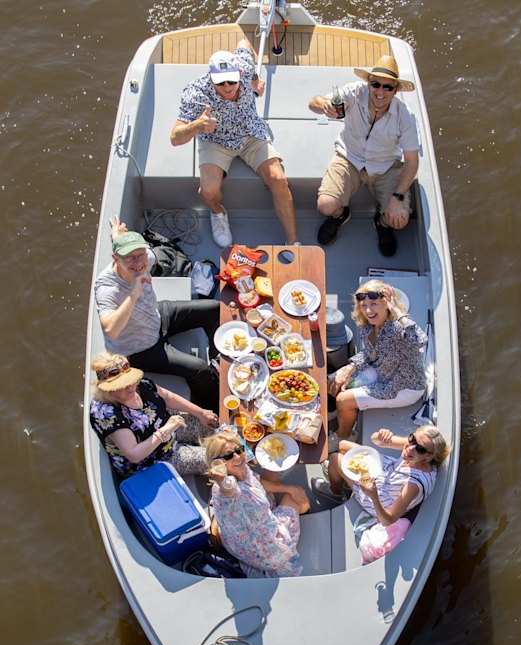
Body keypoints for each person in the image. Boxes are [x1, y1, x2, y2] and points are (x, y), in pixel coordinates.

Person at [170, 41, 299, 247]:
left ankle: (293, 242)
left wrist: (256, 80)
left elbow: (245, 43)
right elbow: (175, 138)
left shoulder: (246, 66)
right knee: (208, 191)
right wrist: (197, 125)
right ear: (210, 78)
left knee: (279, 179)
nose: (227, 87)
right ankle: (218, 213)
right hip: (216, 141)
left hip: (250, 134)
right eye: (220, 83)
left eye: (231, 80)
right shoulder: (195, 93)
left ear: (240, 72)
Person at [94, 226, 220, 410]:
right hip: (140, 349)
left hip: (158, 316)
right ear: (115, 259)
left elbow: (134, 253)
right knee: (200, 369)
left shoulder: (146, 258)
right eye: (129, 257)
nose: (137, 262)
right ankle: (212, 407)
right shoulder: (107, 288)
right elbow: (111, 331)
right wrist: (134, 293)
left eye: (140, 254)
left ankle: (218, 362)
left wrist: (120, 237)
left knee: (214, 309)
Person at [308, 55, 418, 256]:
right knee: (325, 205)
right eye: (376, 84)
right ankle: (340, 216)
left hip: (386, 167)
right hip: (349, 157)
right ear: (368, 83)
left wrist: (398, 196)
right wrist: (324, 105)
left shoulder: (405, 116)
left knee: (399, 219)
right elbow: (313, 102)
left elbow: (411, 161)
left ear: (396, 90)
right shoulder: (353, 93)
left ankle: (382, 223)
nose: (380, 91)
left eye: (388, 87)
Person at [312, 427, 450, 561]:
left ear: (428, 457)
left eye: (419, 449)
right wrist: (380, 436)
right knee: (343, 445)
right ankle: (341, 476)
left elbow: (389, 520)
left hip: (382, 498)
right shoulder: (413, 449)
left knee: (335, 458)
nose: (410, 447)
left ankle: (335, 492)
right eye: (412, 438)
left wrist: (374, 496)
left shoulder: (412, 486)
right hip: (388, 473)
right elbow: (378, 441)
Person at [327, 279, 427, 451]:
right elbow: (370, 353)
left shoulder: (398, 328)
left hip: (401, 387)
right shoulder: (368, 326)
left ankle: (345, 434)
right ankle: (340, 411)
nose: (368, 310)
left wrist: (396, 310)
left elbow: (420, 340)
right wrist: (349, 369)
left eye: (374, 304)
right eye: (364, 305)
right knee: (334, 380)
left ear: (386, 304)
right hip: (382, 371)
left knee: (344, 399)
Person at [89, 352, 219, 479]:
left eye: (130, 380)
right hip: (155, 458)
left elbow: (167, 397)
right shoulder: (106, 414)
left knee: (215, 429)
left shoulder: (137, 384)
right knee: (219, 458)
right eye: (122, 385)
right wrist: (167, 429)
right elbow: (134, 454)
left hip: (168, 425)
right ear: (107, 388)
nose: (131, 387)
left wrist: (200, 413)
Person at [204, 431, 310, 578]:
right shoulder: (225, 490)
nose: (237, 456)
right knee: (298, 497)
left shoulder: (243, 471)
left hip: (241, 540)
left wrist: (287, 488)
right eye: (228, 456)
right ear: (218, 464)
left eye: (239, 450)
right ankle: (303, 512)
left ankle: (281, 505)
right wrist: (222, 481)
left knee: (272, 472)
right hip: (266, 550)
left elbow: (256, 482)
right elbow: (229, 490)